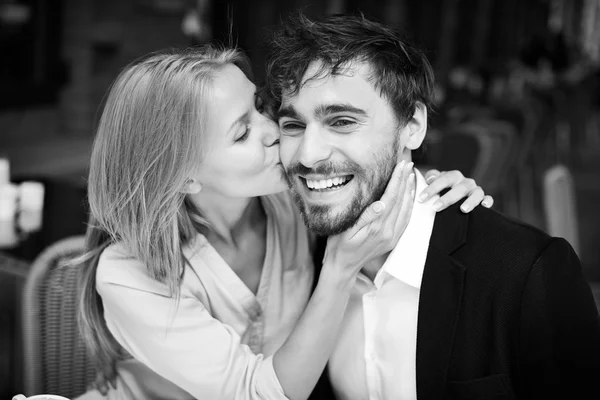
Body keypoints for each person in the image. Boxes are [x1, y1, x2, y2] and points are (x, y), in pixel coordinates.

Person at [72, 46, 493, 400]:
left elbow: (369, 183)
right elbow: (257, 394)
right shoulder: (127, 273)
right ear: (183, 175)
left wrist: (428, 187)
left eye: (259, 107)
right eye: (241, 134)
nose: (273, 130)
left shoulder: (289, 202)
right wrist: (339, 270)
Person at [265, 13, 600, 400]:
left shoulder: (526, 271)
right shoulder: (294, 261)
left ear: (413, 125)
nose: (308, 155)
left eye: (342, 121)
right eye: (292, 126)